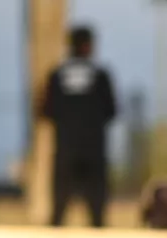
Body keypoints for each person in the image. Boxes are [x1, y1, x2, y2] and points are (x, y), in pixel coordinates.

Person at [42, 26, 117, 227]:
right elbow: (111, 110)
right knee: (97, 211)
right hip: (94, 150)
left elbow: (47, 111)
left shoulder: (57, 75)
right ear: (88, 46)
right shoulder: (100, 76)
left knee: (59, 208)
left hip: (66, 149)